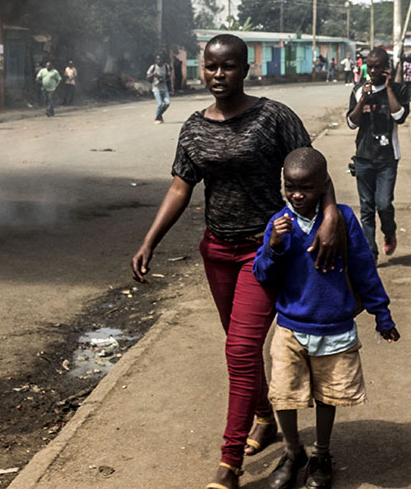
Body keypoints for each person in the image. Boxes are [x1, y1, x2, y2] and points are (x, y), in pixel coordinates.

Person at [130, 33, 344, 489]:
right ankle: (264, 418)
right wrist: (150, 241)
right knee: (240, 348)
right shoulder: (192, 127)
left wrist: (330, 217)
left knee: (240, 350)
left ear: (245, 69)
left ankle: (229, 465)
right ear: (200, 69)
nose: (218, 75)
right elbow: (179, 187)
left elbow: (314, 167)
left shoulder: (273, 118)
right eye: (210, 66)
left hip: (266, 251)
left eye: (228, 66)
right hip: (217, 252)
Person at [253, 147, 399, 489]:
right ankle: (293, 452)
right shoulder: (278, 223)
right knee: (284, 395)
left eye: (306, 187)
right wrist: (274, 244)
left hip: (334, 328)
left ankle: (321, 454)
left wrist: (382, 314)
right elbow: (262, 274)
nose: (297, 195)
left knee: (328, 396)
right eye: (290, 187)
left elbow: (364, 269)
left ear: (324, 185)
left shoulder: (343, 219)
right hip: (290, 327)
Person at [346, 47, 410, 259]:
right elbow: (351, 123)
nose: (372, 71)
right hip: (363, 156)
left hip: (387, 158)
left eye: (377, 67)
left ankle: (389, 232)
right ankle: (370, 254)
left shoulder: (399, 90)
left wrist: (389, 87)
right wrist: (363, 99)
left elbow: (400, 116)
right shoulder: (358, 90)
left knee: (383, 203)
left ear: (386, 68)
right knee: (366, 207)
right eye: (369, 67)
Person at [146, 54, 172, 124]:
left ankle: (159, 115)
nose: (159, 61)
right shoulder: (153, 67)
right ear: (155, 60)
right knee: (160, 104)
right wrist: (154, 74)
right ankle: (156, 118)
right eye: (157, 59)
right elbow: (147, 76)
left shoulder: (166, 67)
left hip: (164, 88)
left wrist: (164, 80)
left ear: (163, 60)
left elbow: (168, 77)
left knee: (167, 103)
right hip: (156, 88)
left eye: (160, 59)